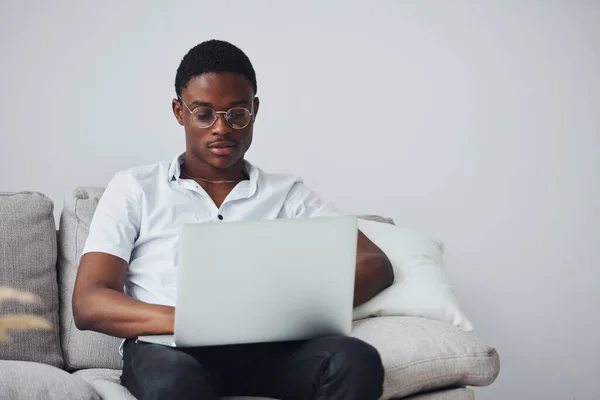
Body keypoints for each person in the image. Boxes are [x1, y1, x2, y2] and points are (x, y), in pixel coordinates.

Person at [72, 39, 394, 400]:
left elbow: (373, 263)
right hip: (169, 351)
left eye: (237, 113)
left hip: (270, 352)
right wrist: (201, 321)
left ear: (254, 110)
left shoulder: (287, 194)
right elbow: (89, 302)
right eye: (204, 113)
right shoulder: (135, 187)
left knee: (354, 359)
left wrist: (283, 310)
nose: (222, 128)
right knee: (173, 384)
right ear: (179, 112)